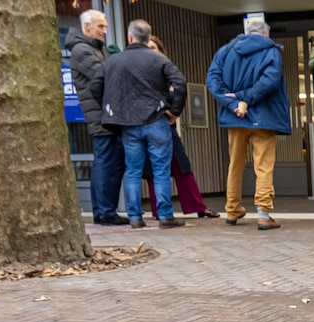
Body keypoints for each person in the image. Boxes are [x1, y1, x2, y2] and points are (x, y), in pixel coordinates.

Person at [90, 19, 187, 229]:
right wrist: (174, 111)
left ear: (130, 37)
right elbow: (179, 82)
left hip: (128, 124)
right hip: (156, 120)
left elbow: (95, 85)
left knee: (132, 171)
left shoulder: (114, 61)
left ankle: (135, 217)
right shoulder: (158, 60)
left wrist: (110, 107)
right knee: (161, 169)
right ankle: (165, 216)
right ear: (147, 37)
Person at [206, 19, 291, 231]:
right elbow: (270, 81)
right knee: (263, 165)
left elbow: (213, 80)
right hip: (264, 117)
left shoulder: (225, 51)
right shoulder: (271, 51)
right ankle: (263, 213)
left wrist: (234, 103)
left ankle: (232, 209)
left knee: (235, 164)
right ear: (265, 34)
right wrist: (245, 98)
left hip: (235, 118)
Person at [142, 35, 218, 220]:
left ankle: (198, 206)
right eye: (147, 47)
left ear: (161, 50)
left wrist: (174, 112)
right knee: (153, 170)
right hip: (146, 124)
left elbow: (179, 89)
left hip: (166, 125)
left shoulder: (167, 70)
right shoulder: (139, 71)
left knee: (182, 166)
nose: (151, 51)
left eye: (154, 47)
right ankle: (158, 209)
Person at [66, 10, 129, 226]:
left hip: (103, 113)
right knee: (107, 163)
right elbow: (105, 76)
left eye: (105, 26)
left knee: (106, 162)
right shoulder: (83, 50)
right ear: (87, 28)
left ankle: (103, 211)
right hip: (101, 116)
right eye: (100, 26)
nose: (104, 31)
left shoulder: (92, 49)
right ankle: (105, 211)